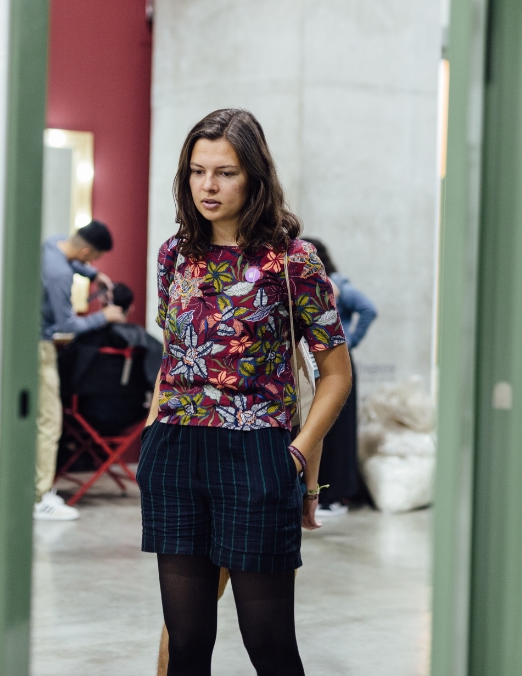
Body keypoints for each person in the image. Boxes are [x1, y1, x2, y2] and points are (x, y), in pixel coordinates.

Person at [137, 108, 352, 676]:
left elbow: (335, 374)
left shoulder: (292, 262)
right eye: (197, 171)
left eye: (225, 172)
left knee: (271, 649)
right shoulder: (174, 255)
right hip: (175, 453)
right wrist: (152, 431)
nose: (208, 186)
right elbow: (173, 355)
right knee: (186, 645)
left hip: (257, 455)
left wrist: (300, 453)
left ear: (254, 177)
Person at [36, 220, 125, 521]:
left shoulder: (54, 243)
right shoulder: (60, 274)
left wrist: (93, 273)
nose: (92, 263)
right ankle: (40, 497)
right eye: (94, 258)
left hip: (25, 342)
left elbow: (74, 262)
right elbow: (67, 326)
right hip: (40, 348)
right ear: (86, 249)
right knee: (49, 421)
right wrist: (105, 316)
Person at [301, 238, 377, 518]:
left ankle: (336, 497)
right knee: (324, 433)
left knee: (339, 433)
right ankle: (323, 495)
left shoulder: (336, 285)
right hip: (317, 363)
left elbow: (369, 309)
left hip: (337, 364)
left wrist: (350, 340)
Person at [57, 284, 164, 436]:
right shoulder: (147, 342)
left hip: (86, 411)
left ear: (103, 305)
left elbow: (64, 375)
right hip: (133, 410)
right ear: (131, 308)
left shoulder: (88, 339)